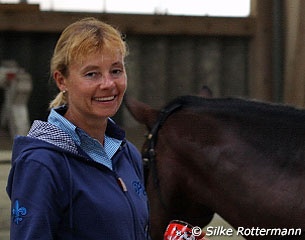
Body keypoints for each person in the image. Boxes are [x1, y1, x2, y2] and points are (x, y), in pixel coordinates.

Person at [6, 17, 150, 240]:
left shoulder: (127, 153)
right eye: (92, 74)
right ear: (61, 80)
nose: (108, 84)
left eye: (116, 70)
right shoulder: (41, 164)